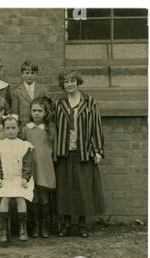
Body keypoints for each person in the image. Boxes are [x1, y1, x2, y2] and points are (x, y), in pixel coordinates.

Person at [55, 69, 105, 238]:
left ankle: (82, 225)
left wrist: (98, 150)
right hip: (64, 152)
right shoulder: (59, 103)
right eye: (66, 82)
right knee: (65, 189)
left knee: (84, 188)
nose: (69, 84)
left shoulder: (89, 101)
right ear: (63, 85)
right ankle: (66, 224)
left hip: (84, 152)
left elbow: (97, 126)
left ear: (78, 82)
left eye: (72, 81)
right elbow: (54, 129)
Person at [0, 114, 34, 243]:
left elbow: (28, 164)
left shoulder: (24, 145)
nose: (11, 131)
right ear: (4, 129)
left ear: (18, 129)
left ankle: (23, 228)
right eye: (8, 128)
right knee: (4, 198)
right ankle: (3, 230)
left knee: (20, 197)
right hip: (5, 179)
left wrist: (25, 178)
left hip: (19, 178)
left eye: (13, 128)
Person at [21, 97, 56, 238]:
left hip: (45, 166)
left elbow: (54, 148)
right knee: (33, 196)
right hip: (31, 166)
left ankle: (45, 226)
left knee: (44, 197)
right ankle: (35, 226)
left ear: (45, 112)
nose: (36, 113)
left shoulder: (50, 128)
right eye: (34, 110)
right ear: (30, 112)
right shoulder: (26, 128)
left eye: (40, 111)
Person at [11, 61, 50, 125]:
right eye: (27, 73)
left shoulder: (42, 90)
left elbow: (48, 109)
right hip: (23, 125)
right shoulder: (17, 91)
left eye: (32, 73)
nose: (29, 76)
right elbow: (14, 113)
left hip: (40, 124)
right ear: (22, 74)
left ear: (36, 74)